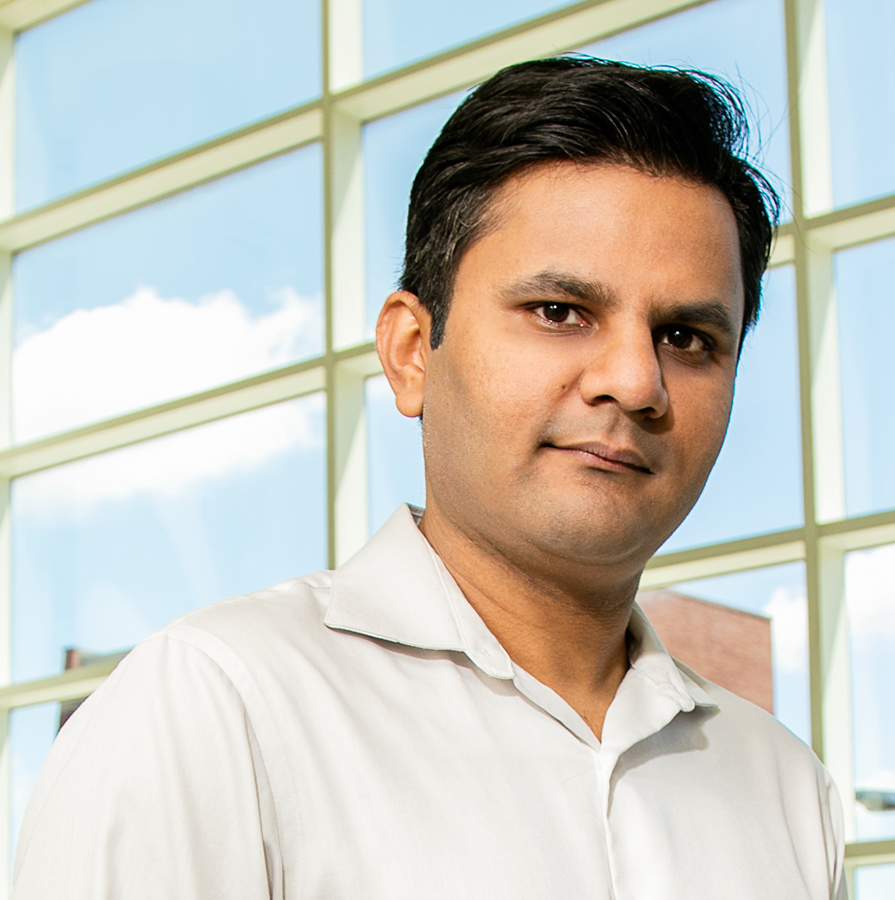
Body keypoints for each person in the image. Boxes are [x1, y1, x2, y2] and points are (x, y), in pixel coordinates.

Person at [14, 58, 846, 899]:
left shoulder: (785, 790)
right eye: (560, 312)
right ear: (413, 352)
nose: (635, 381)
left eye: (686, 337)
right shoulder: (216, 708)